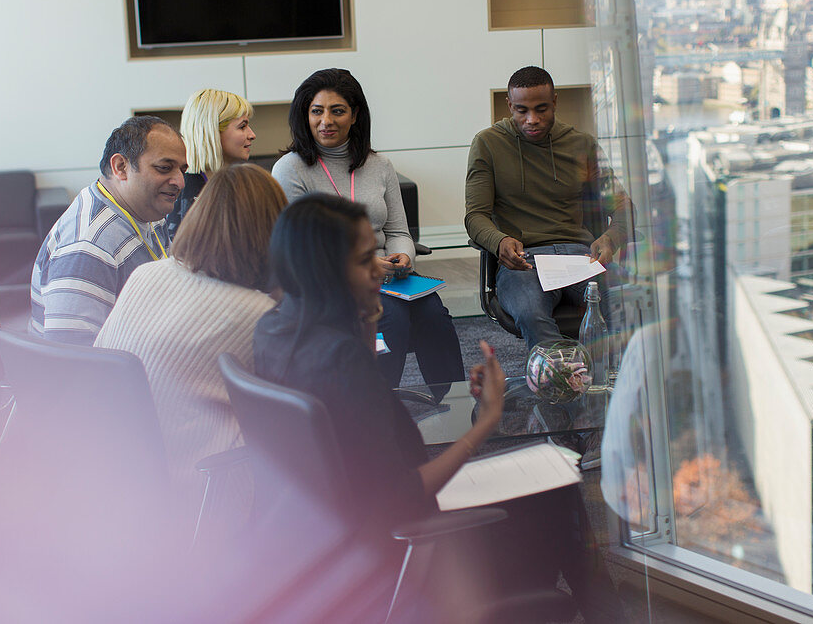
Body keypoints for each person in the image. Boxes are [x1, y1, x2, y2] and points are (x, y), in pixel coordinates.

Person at [252, 194, 621, 621]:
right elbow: (402, 494)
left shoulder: (275, 330)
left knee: (555, 486)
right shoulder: (341, 362)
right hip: (412, 551)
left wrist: (367, 312)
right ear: (323, 271)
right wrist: (483, 427)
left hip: (330, 542)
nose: (378, 268)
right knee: (559, 489)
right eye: (361, 261)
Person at [95, 164, 286, 528]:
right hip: (205, 496)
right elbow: (305, 408)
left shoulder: (146, 275)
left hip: (112, 485)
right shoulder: (261, 315)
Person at [272, 68, 463, 395]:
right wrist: (361, 267)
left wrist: (404, 254)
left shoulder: (379, 166)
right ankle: (373, 407)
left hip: (388, 276)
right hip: (329, 280)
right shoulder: (290, 169)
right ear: (305, 115)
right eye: (316, 111)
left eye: (337, 111)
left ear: (356, 114)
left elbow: (399, 230)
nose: (325, 121)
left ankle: (453, 403)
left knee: (436, 317)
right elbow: (300, 248)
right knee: (392, 317)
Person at [465, 65, 633, 348]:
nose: (532, 119)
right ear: (509, 106)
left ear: (555, 102)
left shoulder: (581, 145)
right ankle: (557, 382)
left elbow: (623, 206)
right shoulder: (488, 144)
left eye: (542, 109)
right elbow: (475, 216)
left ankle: (615, 382)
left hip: (581, 257)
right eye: (521, 110)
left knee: (625, 306)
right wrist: (500, 240)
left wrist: (610, 237)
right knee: (531, 313)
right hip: (524, 261)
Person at [30, 115, 186, 345]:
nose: (180, 182)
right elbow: (72, 359)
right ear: (120, 167)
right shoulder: (88, 246)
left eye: (182, 170)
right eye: (164, 168)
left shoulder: (147, 210)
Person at [164, 88, 256, 239]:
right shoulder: (187, 193)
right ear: (212, 131)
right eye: (242, 126)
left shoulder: (228, 184)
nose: (252, 135)